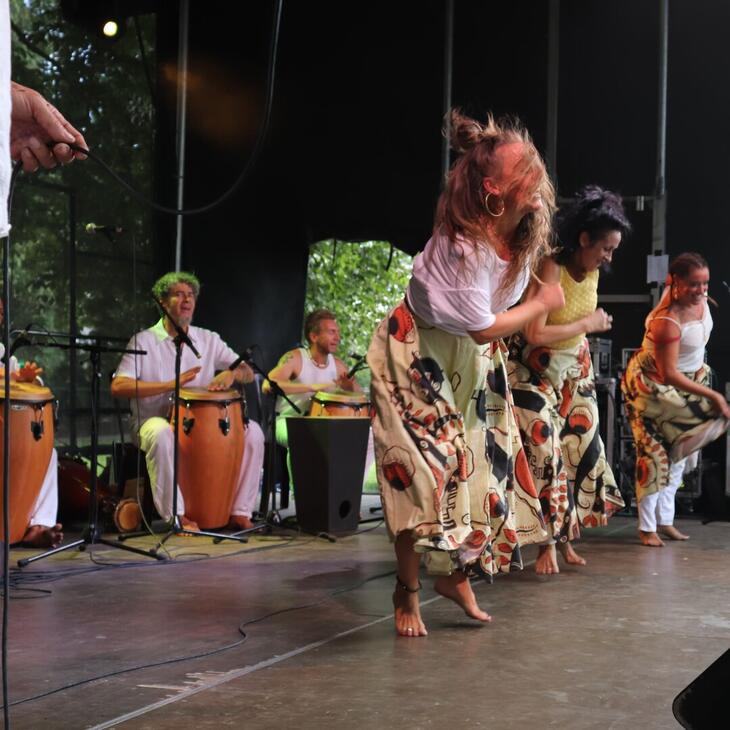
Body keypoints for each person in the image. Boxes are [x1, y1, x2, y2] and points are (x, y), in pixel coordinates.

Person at [367, 109, 565, 637]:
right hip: (414, 353)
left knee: (474, 470)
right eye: (527, 174)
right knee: (418, 474)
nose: (539, 182)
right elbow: (485, 327)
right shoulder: (464, 250)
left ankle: (455, 576)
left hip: (467, 354)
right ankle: (405, 591)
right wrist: (545, 300)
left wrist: (537, 298)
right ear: (494, 190)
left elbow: (494, 321)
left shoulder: (519, 235)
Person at [508, 186, 631, 574]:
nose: (608, 257)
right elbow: (533, 333)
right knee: (546, 450)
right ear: (583, 238)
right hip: (533, 367)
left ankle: (564, 538)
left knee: (582, 446)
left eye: (613, 249)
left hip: (573, 365)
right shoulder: (551, 268)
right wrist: (589, 324)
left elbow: (576, 329)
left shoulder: (591, 272)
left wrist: (584, 333)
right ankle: (545, 541)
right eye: (605, 248)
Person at [111, 272, 265, 532]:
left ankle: (240, 511)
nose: (187, 300)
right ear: (162, 302)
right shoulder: (144, 340)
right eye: (179, 294)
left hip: (204, 425)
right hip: (153, 422)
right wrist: (173, 384)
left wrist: (232, 373)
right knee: (162, 434)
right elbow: (118, 386)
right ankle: (178, 517)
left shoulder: (207, 339)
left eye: (191, 295)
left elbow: (249, 371)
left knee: (254, 434)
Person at [621, 253, 730, 547]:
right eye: (694, 284)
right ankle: (646, 528)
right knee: (654, 455)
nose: (701, 290)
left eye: (705, 283)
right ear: (675, 283)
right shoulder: (666, 320)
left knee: (679, 457)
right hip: (654, 387)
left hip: (690, 381)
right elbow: (668, 373)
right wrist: (713, 395)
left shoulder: (696, 299)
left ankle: (665, 520)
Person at [266, 308, 375, 485]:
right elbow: (268, 385)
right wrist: (312, 387)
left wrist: (350, 388)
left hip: (325, 424)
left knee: (368, 437)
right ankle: (301, 498)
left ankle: (346, 490)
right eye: (332, 332)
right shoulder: (295, 358)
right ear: (314, 336)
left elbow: (360, 399)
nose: (337, 337)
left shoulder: (338, 365)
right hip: (286, 421)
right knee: (304, 435)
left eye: (338, 333)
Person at [0, 298, 63, 547]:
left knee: (48, 454)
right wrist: (13, 376)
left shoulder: (6, 356)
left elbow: (25, 383)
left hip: (9, 433)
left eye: (1, 311)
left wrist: (28, 380)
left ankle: (38, 525)